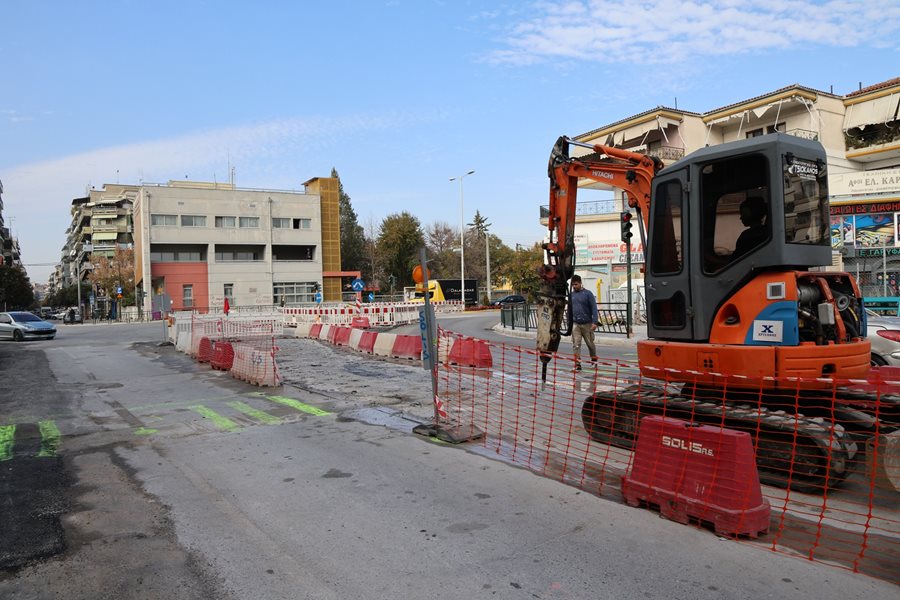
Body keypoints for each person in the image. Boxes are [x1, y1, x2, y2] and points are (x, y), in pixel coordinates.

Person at [569, 275, 598, 371]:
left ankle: (594, 360)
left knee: (590, 344)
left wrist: (595, 322)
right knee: (576, 345)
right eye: (573, 284)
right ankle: (577, 365)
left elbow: (594, 308)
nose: (574, 286)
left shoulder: (588, 294)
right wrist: (569, 323)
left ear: (580, 283)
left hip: (587, 324)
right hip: (575, 324)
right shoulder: (571, 295)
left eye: (576, 284)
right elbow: (569, 310)